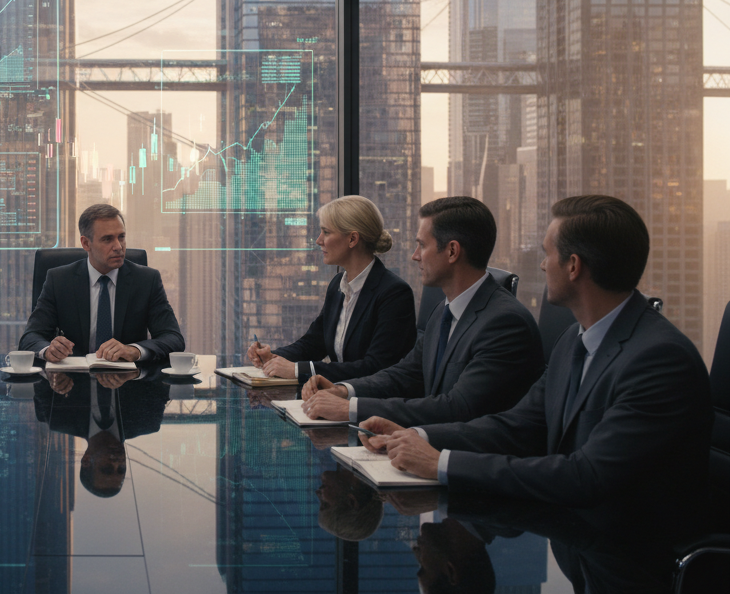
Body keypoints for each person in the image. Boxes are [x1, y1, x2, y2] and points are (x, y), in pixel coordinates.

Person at [358, 195, 713, 511]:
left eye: (547, 254)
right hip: (573, 538)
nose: (542, 266)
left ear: (573, 266)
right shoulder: (574, 340)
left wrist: (441, 464)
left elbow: (585, 475)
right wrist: (419, 437)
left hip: (628, 561)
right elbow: (516, 425)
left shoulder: (659, 360)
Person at [299, 196, 545, 426]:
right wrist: (343, 391)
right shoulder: (443, 311)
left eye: (422, 245)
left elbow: (458, 408)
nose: (415, 256)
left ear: (452, 251)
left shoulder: (505, 323)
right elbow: (405, 374)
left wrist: (349, 409)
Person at [247, 195, 416, 382]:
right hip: (335, 398)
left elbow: (375, 367)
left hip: (369, 406)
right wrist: (273, 357)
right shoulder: (338, 285)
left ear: (352, 239)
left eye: (326, 232)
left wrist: (298, 370)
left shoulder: (394, 294)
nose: (319, 240)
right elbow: (313, 343)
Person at [19, 203, 185, 363]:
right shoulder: (59, 280)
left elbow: (173, 338)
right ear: (86, 243)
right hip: (73, 382)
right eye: (107, 239)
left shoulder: (147, 280)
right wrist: (49, 350)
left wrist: (134, 350)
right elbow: (31, 337)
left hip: (130, 383)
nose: (118, 246)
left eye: (121, 237)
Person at [35, 371, 170, 497]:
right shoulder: (147, 421)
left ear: (86, 460)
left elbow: (39, 373)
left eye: (107, 468)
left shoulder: (59, 419)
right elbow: (163, 373)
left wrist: (53, 377)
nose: (118, 462)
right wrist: (139, 371)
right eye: (121, 469)